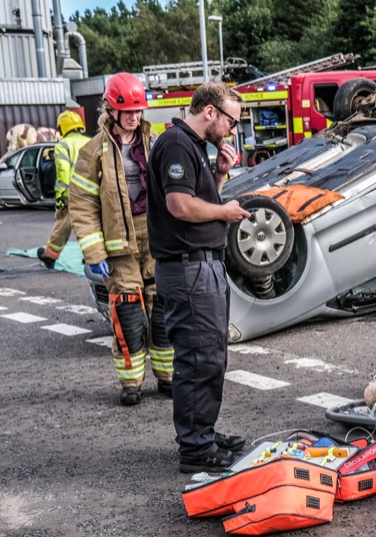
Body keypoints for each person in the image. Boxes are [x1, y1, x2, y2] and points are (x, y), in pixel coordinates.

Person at [146, 81, 251, 474]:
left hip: (201, 265)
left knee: (209, 357)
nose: (232, 129)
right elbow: (180, 205)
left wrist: (220, 177)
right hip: (189, 268)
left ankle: (201, 433)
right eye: (231, 120)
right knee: (199, 358)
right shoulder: (176, 144)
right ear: (210, 112)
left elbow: (197, 200)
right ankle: (195, 450)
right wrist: (227, 212)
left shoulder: (192, 148)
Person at [69, 73, 173, 407]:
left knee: (163, 311)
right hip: (119, 247)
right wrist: (92, 249)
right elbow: (82, 205)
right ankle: (131, 384)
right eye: (127, 111)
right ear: (111, 110)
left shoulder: (154, 143)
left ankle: (168, 377)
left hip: (154, 239)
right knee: (128, 315)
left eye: (139, 110)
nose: (134, 117)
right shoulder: (92, 152)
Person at [37, 110, 91, 270]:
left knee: (63, 224)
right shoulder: (91, 141)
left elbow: (63, 172)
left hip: (72, 194)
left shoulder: (63, 145)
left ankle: (50, 257)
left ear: (63, 128)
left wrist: (60, 195)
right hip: (92, 193)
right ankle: (90, 257)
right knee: (91, 224)